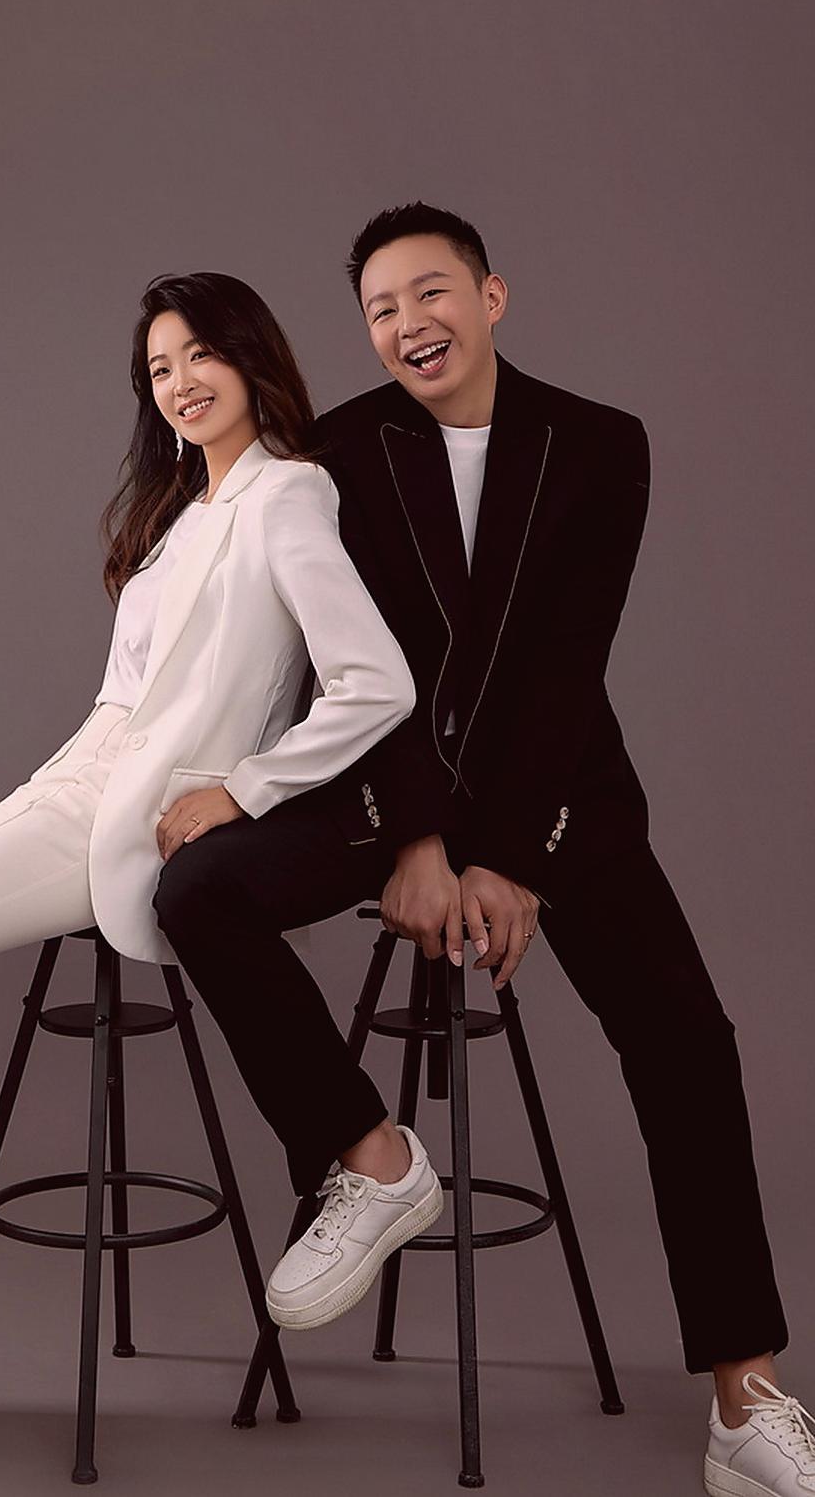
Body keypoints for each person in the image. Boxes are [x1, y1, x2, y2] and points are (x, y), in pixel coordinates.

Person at [154, 206, 813, 1497]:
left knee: (688, 1038)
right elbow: (354, 667)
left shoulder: (601, 445)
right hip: (390, 791)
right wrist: (417, 837)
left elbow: (565, 673)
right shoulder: (341, 450)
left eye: (432, 293)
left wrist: (510, 861)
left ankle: (746, 1394)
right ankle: (368, 1158)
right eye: (383, 309)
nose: (411, 324)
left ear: (492, 295)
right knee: (201, 890)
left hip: (559, 796)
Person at [0, 270, 429, 1459]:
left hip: (120, 819)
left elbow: (377, 683)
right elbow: (125, 702)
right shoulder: (181, 514)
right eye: (159, 369)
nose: (181, 382)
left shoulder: (288, 496)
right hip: (67, 785)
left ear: (250, 357)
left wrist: (245, 790)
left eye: (200, 354)